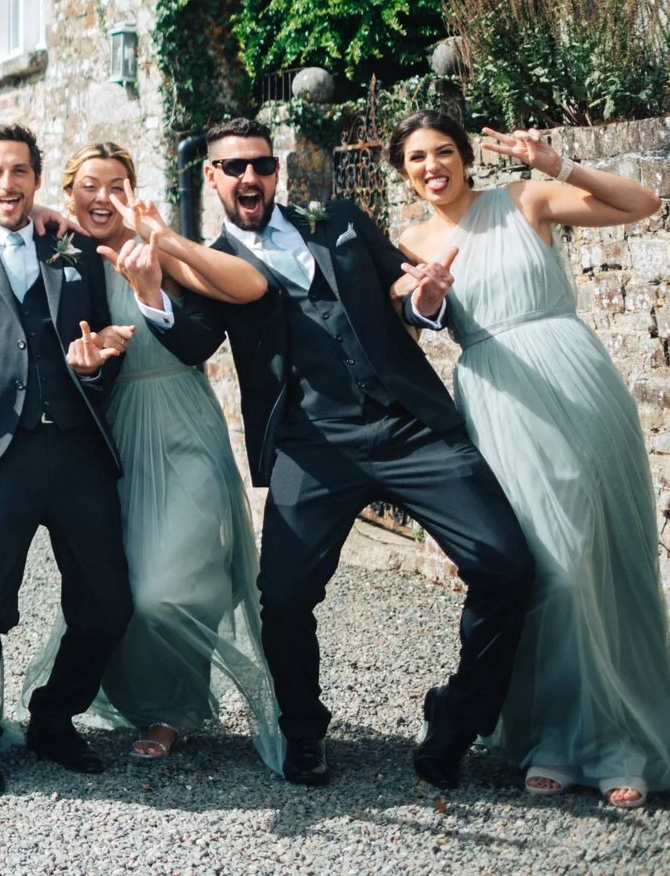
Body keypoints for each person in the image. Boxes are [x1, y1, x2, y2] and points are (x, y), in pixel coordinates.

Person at [150, 115, 533, 792]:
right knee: (286, 596)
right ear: (211, 176)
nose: (250, 177)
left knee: (506, 565)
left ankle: (456, 717)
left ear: (277, 170)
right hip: (310, 445)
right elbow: (192, 343)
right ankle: (304, 730)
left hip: (409, 426)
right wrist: (151, 288)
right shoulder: (210, 262)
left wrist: (426, 301)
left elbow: (405, 293)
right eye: (234, 167)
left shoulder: (343, 218)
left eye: (262, 165)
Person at [388, 112, 669, 808]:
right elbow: (405, 324)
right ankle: (551, 736)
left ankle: (619, 741)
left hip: (576, 382)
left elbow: (643, 203)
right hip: (497, 399)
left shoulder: (522, 199)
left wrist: (556, 163)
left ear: (464, 157)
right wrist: (424, 301)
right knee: (548, 570)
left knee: (602, 559)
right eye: (418, 156)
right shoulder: (404, 243)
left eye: (445, 150)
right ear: (402, 169)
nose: (434, 165)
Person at [16, 144, 283, 775]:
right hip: (112, 436)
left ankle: (175, 708)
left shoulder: (160, 246)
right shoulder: (65, 253)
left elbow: (201, 336)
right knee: (129, 584)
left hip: (181, 423)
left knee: (175, 583)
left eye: (115, 184)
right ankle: (149, 703)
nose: (100, 196)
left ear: (134, 190)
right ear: (70, 193)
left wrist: (151, 289)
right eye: (86, 186)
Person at [0, 124, 154, 794]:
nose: (6, 183)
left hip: (76, 444)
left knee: (108, 605)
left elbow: (98, 331)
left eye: (18, 171)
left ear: (36, 178)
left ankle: (52, 716)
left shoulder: (66, 239)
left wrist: (98, 358)